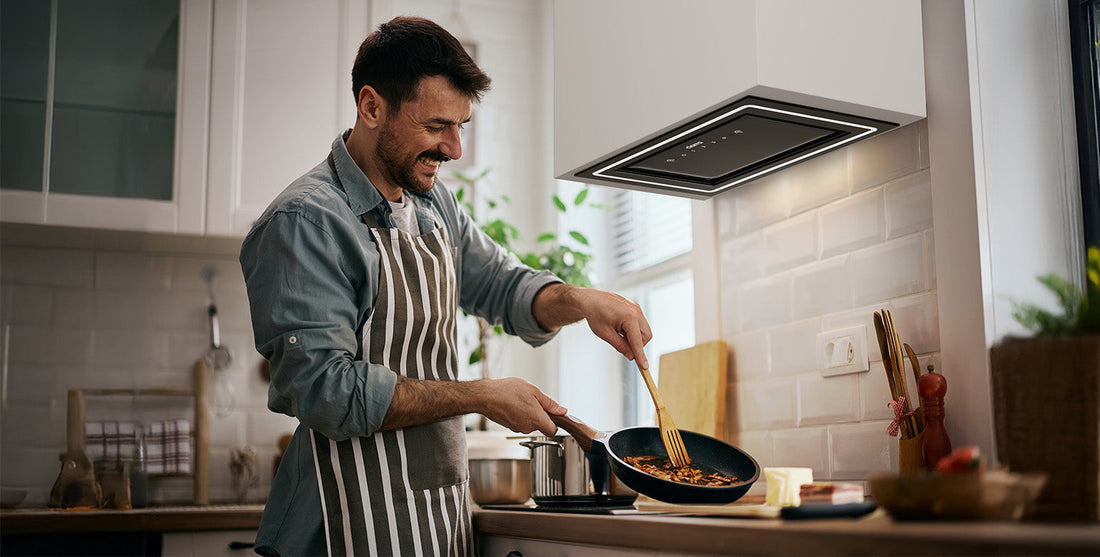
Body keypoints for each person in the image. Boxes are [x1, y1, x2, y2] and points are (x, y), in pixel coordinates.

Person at [240, 15, 652, 557]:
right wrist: (482, 395)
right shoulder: (306, 222)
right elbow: (326, 392)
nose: (454, 149)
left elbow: (505, 288)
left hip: (434, 519)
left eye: (461, 125)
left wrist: (579, 300)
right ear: (371, 107)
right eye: (437, 126)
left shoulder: (434, 206)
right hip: (341, 523)